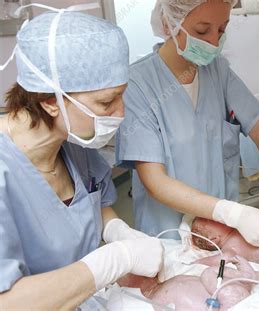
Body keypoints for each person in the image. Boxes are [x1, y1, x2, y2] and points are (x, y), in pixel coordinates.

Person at [0, 5, 163, 309]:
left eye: (121, 95)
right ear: (51, 101)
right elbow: (8, 302)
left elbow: (92, 204)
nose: (121, 112)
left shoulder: (72, 144)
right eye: (106, 102)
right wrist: (115, 259)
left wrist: (117, 231)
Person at [115, 0, 259, 246]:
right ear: (168, 23)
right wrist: (233, 213)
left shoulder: (218, 70)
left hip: (220, 234)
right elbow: (155, 181)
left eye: (222, 30)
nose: (213, 41)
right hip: (166, 236)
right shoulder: (137, 85)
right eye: (201, 30)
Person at [118, 255, 259, 310]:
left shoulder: (173, 276)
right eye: (132, 272)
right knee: (209, 275)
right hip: (223, 303)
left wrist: (222, 257)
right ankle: (246, 276)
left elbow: (200, 263)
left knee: (212, 273)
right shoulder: (151, 302)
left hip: (229, 292)